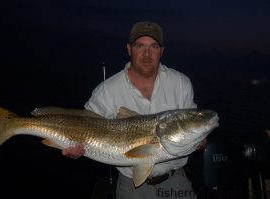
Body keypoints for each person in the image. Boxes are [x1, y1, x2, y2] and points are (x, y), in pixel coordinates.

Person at [62, 21, 207, 199]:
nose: (147, 54)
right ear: (129, 49)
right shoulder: (108, 90)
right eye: (140, 46)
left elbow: (192, 127)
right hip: (130, 187)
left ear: (162, 51)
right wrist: (74, 147)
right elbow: (82, 123)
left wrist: (198, 140)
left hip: (175, 181)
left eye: (153, 46)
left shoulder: (180, 83)